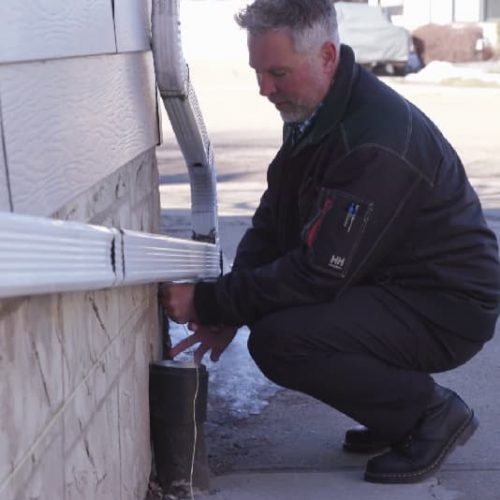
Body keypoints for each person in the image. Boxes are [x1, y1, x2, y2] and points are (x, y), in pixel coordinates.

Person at [162, 0, 500, 484]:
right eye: (258, 72)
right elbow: (275, 216)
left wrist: (211, 299)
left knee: (283, 340)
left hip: (447, 307)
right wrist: (226, 310)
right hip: (389, 282)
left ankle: (430, 415)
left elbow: (318, 272)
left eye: (277, 72)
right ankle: (394, 415)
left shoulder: (375, 142)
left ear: (326, 56)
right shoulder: (319, 109)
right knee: (282, 317)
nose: (264, 89)